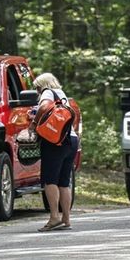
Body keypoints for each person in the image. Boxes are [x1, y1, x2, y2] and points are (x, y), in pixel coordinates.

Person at [28, 72, 80, 232]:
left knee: (50, 181)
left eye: (37, 88)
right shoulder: (62, 95)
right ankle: (66, 219)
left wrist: (34, 123)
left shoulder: (47, 93)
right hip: (71, 139)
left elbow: (44, 107)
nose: (37, 92)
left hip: (55, 142)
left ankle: (54, 217)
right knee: (64, 182)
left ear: (41, 86)